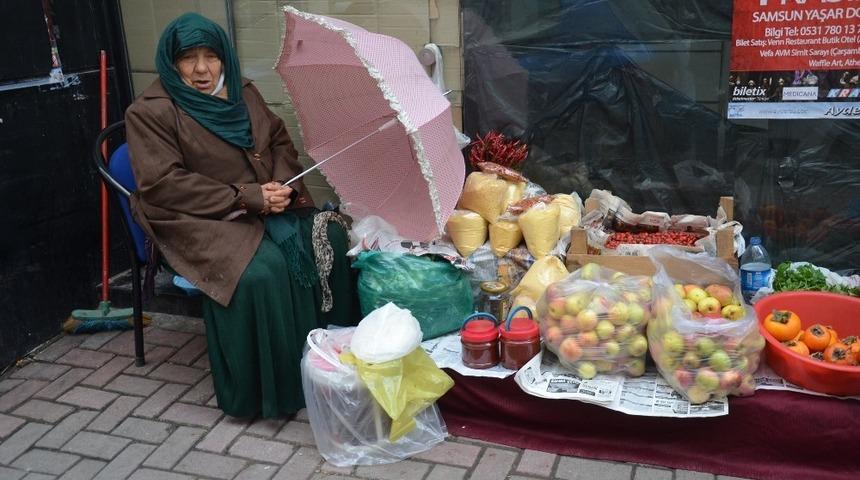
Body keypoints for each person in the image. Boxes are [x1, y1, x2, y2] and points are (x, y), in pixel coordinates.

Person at [125, 12, 358, 418]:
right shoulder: (150, 112)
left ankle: (330, 362)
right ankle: (267, 392)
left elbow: (280, 141)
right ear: (170, 61)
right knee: (258, 272)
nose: (201, 69)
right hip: (195, 214)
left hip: (260, 202)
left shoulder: (241, 91)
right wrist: (250, 197)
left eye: (211, 56)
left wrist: (284, 185)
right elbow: (164, 184)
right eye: (188, 58)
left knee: (331, 240)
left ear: (224, 58)